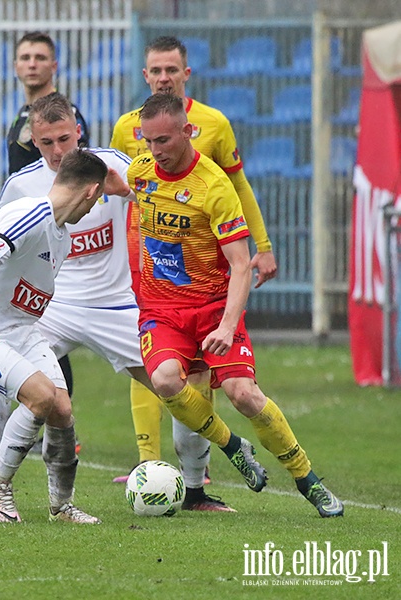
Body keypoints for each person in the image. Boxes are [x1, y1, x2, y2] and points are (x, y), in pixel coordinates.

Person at [0, 93, 226, 511]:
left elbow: (162, 207)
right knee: (7, 386)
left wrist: (128, 194)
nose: (57, 151)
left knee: (175, 383)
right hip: (50, 308)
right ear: (33, 142)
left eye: (65, 139)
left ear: (79, 132)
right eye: (47, 142)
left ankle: (195, 489)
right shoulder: (20, 189)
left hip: (114, 303)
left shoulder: (112, 164)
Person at [129, 92, 343, 518]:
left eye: (164, 141)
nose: (155, 152)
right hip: (162, 311)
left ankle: (307, 479)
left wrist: (227, 327)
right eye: (148, 142)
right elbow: (112, 189)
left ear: (188, 132)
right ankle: (233, 446)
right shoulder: (140, 173)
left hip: (213, 308)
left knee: (243, 394)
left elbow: (240, 265)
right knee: (167, 380)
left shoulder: (214, 187)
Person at [109, 35, 278, 485]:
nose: (164, 78)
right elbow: (127, 194)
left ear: (186, 74)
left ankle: (196, 477)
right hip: (151, 276)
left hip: (204, 271)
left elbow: (236, 190)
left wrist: (261, 245)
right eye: (156, 71)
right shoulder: (127, 127)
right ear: (145, 76)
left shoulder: (214, 124)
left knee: (197, 375)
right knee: (151, 364)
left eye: (171, 70)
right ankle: (147, 459)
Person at [0, 148, 112, 524]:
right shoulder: (31, 214)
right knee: (41, 397)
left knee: (62, 410)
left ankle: (61, 507)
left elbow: (15, 294)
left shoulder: (61, 237)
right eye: (100, 199)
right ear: (92, 192)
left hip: (18, 331)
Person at [6, 31, 90, 400]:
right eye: (25, 57)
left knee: (42, 329)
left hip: (52, 235)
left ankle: (59, 418)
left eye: (40, 57)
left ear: (54, 66)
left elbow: (76, 172)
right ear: (15, 66)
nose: (32, 64)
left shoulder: (64, 116)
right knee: (32, 329)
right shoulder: (22, 117)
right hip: (28, 230)